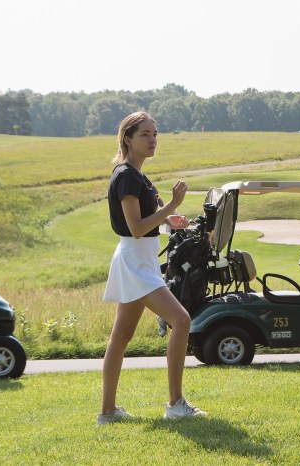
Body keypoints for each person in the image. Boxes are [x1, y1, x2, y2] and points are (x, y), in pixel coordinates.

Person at [99, 111, 206, 425]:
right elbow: (135, 228)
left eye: (155, 134)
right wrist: (172, 205)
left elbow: (146, 222)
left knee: (121, 336)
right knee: (181, 320)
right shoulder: (126, 176)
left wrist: (170, 221)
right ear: (128, 139)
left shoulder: (137, 176)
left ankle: (107, 413)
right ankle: (175, 403)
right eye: (145, 134)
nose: (152, 140)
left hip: (138, 259)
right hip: (135, 261)